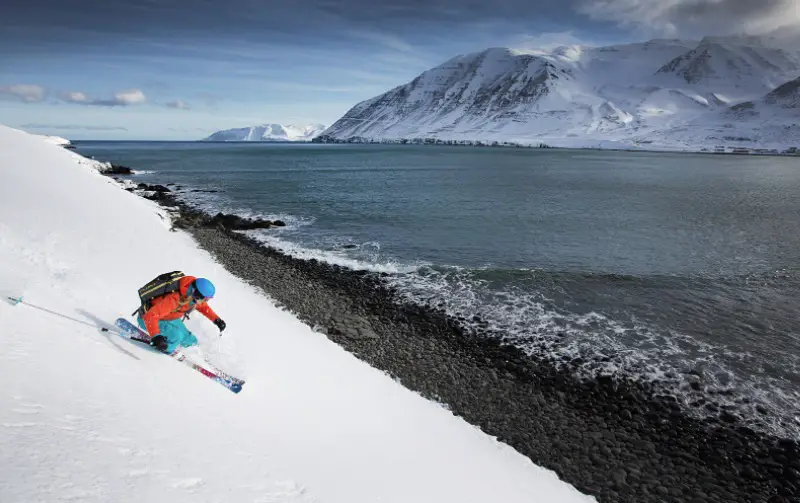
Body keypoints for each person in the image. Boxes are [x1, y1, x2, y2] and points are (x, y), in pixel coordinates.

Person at [137, 276, 226, 353]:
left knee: (191, 341)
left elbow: (203, 307)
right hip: (147, 319)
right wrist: (156, 336)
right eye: (206, 299)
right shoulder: (174, 299)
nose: (206, 301)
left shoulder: (191, 294)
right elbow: (151, 316)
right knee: (176, 336)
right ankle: (167, 349)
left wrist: (216, 320)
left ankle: (195, 356)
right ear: (197, 295)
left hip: (169, 318)